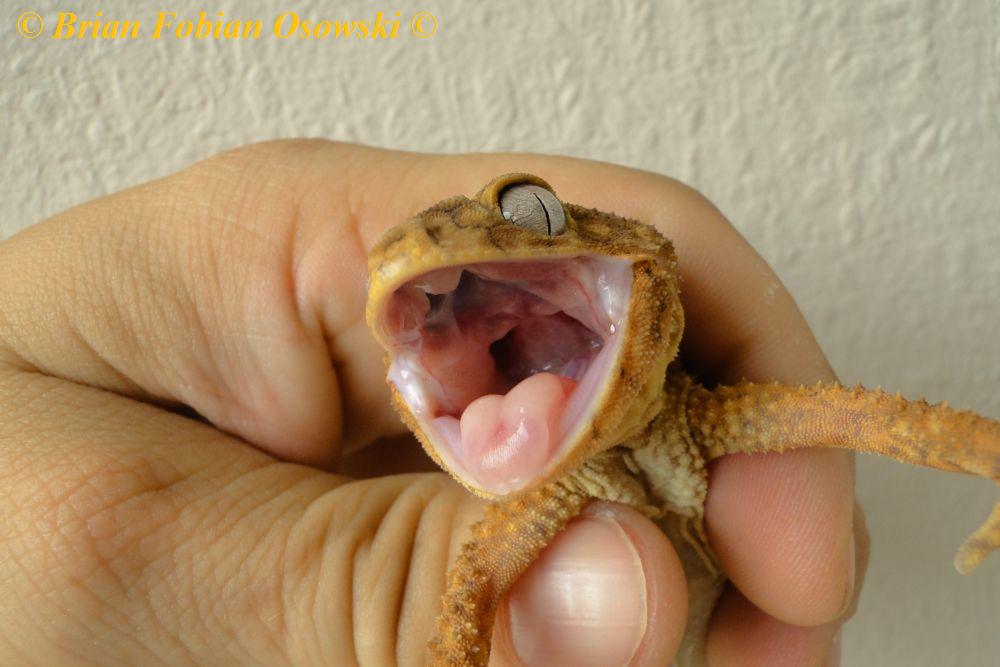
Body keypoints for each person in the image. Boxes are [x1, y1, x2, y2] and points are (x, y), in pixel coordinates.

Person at [0, 140, 866, 666]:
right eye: (411, 306)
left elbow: (853, 416)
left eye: (528, 212)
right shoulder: (517, 507)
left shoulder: (693, 404)